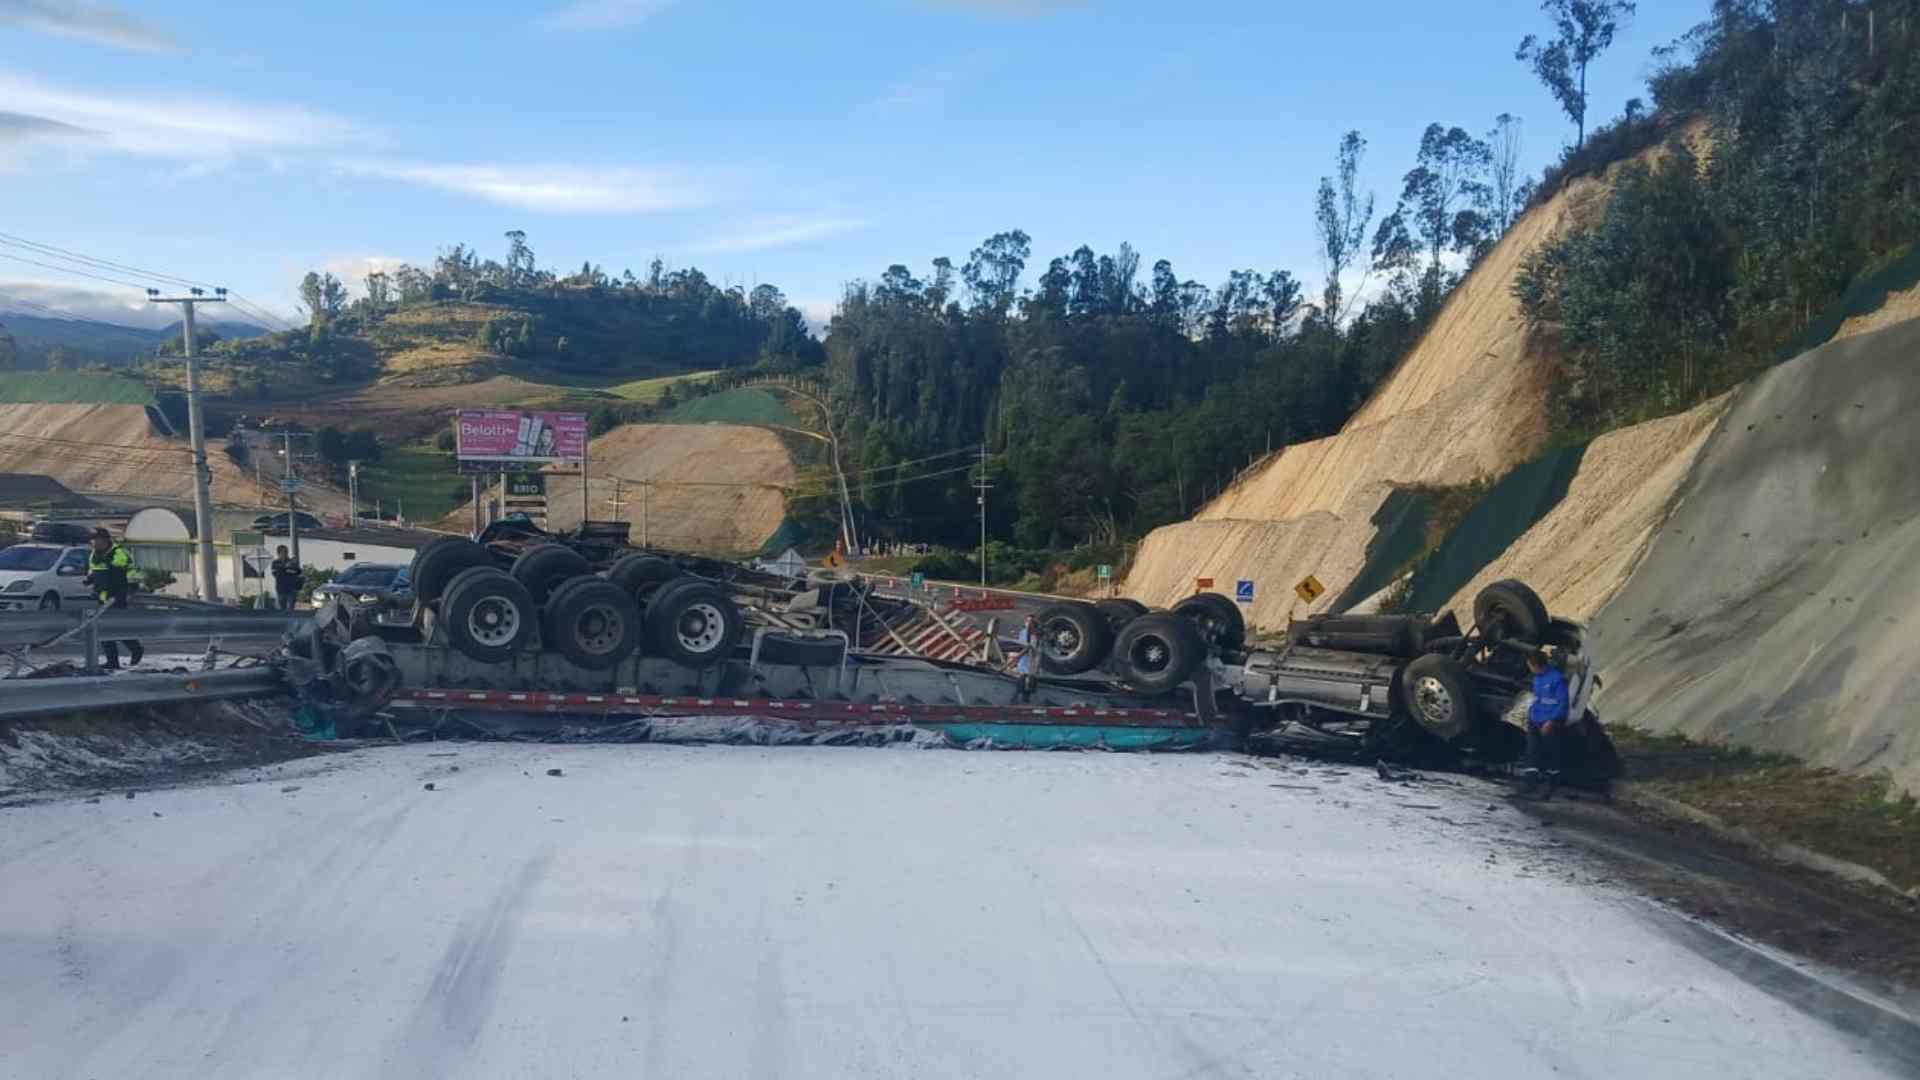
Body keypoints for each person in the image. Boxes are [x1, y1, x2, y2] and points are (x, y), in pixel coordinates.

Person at [84, 527, 143, 670]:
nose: (93, 543)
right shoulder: (94, 554)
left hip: (117, 597)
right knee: (104, 630)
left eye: (95, 540)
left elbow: (131, 574)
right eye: (92, 540)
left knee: (117, 628)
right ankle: (113, 661)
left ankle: (136, 649)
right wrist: (89, 580)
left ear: (104, 540)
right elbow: (96, 572)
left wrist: (129, 592)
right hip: (101, 598)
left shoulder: (119, 554)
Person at [1520, 650, 1570, 799]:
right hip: (1535, 720)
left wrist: (1552, 721)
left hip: (1549, 723)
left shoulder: (1557, 679)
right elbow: (1538, 699)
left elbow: (1563, 703)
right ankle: (1530, 784)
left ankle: (1551, 785)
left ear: (1535, 665)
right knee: (1532, 751)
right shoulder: (1537, 679)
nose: (1529, 668)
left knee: (1551, 753)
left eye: (1529, 665)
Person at [1015, 614, 1040, 701]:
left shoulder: (1034, 634)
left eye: (1031, 622)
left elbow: (1031, 647)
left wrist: (1019, 655)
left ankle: (1026, 696)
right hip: (1023, 659)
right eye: (1027, 621)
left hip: (1030, 659)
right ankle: (1019, 695)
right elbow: (1020, 644)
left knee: (1029, 677)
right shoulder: (1022, 632)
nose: (1029, 623)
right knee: (1022, 675)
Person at [270, 545, 302, 611]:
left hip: (291, 589)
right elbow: (275, 574)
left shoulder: (292, 562)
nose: (285, 553)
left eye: (286, 552)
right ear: (279, 553)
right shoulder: (275, 563)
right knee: (281, 610)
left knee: (290, 609)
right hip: (281, 589)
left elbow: (298, 572)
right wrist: (285, 568)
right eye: (283, 552)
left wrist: (287, 570)